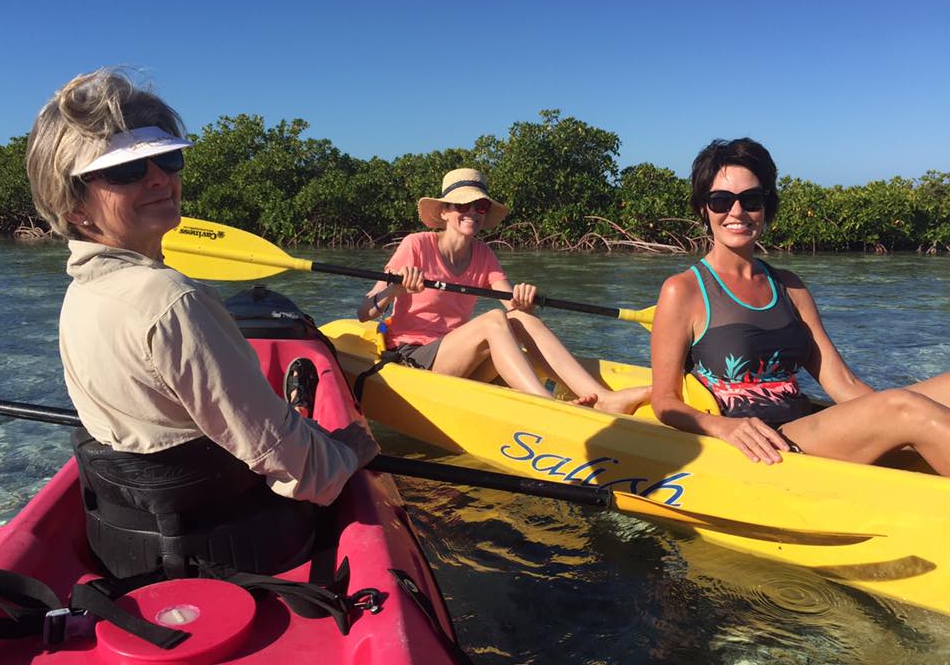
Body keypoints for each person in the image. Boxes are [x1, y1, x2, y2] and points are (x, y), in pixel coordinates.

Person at [25, 68, 379, 575]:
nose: (158, 178)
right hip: (234, 549)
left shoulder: (80, 294)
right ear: (74, 205)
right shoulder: (172, 301)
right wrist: (346, 452)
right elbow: (299, 467)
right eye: (126, 170)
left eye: (167, 158)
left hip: (125, 548)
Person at [650, 137, 950, 473]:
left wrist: (886, 423)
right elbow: (665, 401)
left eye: (751, 199)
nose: (737, 212)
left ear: (766, 207)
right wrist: (723, 427)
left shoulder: (790, 287)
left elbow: (843, 383)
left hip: (805, 426)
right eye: (720, 200)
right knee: (905, 407)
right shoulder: (683, 290)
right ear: (703, 209)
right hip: (767, 442)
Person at [357, 168, 650, 414]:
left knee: (519, 318)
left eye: (480, 207)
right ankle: (548, 406)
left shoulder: (484, 254)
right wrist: (396, 288)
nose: (472, 212)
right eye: (462, 206)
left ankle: (603, 398)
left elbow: (515, 309)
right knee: (494, 320)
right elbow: (364, 312)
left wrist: (525, 302)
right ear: (445, 212)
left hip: (458, 356)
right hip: (415, 356)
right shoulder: (416, 244)